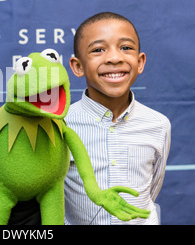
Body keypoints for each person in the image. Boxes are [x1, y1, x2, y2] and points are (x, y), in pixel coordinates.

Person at [64, 12, 171, 225]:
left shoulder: (158, 125)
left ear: (140, 62)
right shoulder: (60, 124)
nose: (114, 57)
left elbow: (151, 189)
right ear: (78, 66)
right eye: (98, 50)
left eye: (126, 48)